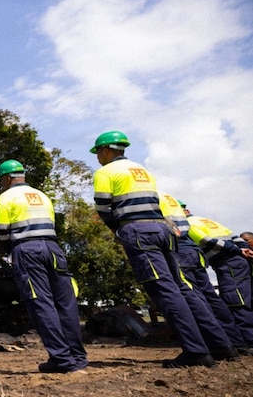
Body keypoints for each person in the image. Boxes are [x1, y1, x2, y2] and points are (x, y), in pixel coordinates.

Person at [91, 131, 214, 368]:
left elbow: (104, 208)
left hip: (139, 232)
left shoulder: (105, 172)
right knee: (181, 286)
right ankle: (218, 344)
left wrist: (117, 230)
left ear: (106, 150)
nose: (98, 157)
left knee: (164, 290)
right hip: (162, 230)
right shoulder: (142, 170)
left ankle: (196, 351)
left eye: (98, 152)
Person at [0, 159, 88, 373]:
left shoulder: (6, 198)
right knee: (65, 302)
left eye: (2, 180)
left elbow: (1, 232)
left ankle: (62, 360)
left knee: (41, 303)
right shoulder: (41, 196)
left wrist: (10, 252)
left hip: (27, 250)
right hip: (53, 248)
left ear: (7, 178)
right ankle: (78, 357)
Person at [156, 193, 238, 360]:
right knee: (211, 298)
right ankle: (234, 343)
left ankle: (216, 346)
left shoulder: (155, 198)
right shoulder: (171, 200)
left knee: (192, 297)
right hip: (195, 254)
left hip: (181, 252)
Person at [186, 209, 253, 351]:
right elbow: (236, 237)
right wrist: (244, 250)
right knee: (242, 298)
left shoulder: (189, 224)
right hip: (238, 262)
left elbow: (207, 241)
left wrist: (237, 250)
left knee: (236, 301)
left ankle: (247, 342)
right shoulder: (207, 221)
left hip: (227, 263)